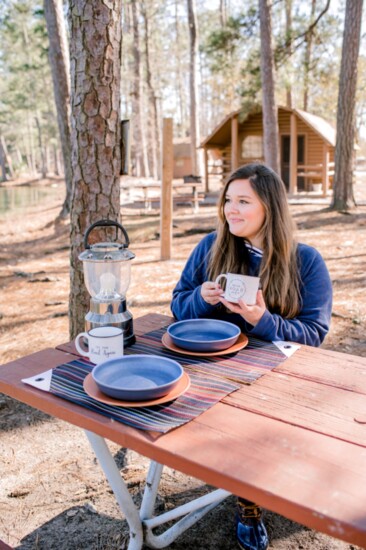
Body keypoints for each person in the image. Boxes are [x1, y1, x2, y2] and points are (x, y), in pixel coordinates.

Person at [170, 162, 333, 550]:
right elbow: (178, 306)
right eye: (228, 200)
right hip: (216, 367)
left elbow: (314, 335)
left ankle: (249, 503)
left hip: (280, 378)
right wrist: (200, 299)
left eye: (244, 201)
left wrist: (263, 320)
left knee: (247, 429)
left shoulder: (306, 261)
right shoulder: (211, 246)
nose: (231, 210)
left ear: (269, 209)